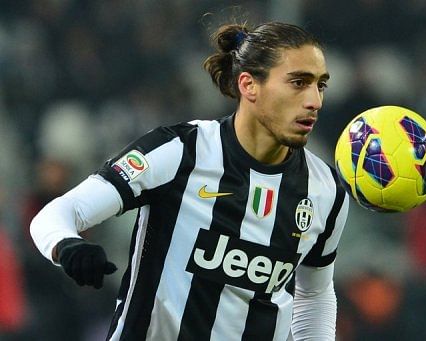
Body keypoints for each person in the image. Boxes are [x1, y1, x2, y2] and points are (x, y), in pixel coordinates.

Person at [30, 21, 349, 341]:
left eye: (320, 85)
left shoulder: (327, 190)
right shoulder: (179, 152)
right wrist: (67, 246)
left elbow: (315, 295)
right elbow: (57, 213)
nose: (315, 101)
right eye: (298, 83)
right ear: (249, 85)